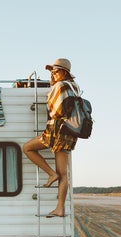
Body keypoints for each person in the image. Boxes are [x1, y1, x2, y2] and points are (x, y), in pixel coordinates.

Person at [23, 58, 80, 217]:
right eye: (51, 72)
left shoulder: (60, 87)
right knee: (64, 173)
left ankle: (50, 173)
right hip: (70, 132)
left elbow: (54, 108)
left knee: (27, 148)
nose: (51, 76)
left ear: (63, 72)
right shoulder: (74, 87)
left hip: (56, 130)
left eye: (54, 72)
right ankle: (60, 208)